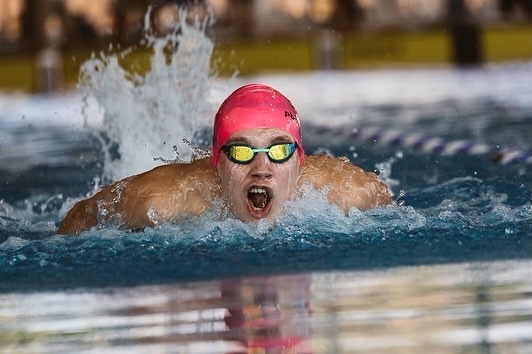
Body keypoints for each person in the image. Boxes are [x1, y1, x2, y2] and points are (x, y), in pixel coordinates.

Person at [56, 83, 393, 235]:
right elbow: (84, 213)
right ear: (216, 162)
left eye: (278, 151)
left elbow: (387, 204)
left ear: (299, 161)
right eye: (242, 152)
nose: (262, 169)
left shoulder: (349, 191)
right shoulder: (162, 200)